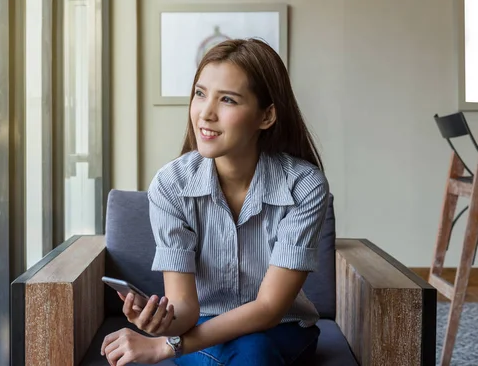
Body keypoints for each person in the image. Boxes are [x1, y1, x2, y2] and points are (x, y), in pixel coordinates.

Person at [101, 38, 329, 366]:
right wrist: (161, 322)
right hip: (201, 324)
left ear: (266, 116)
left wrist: (166, 346)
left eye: (228, 100)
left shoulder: (304, 186)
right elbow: (185, 308)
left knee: (254, 351)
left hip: (283, 328)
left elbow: (269, 309)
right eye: (200, 93)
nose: (206, 113)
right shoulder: (170, 184)